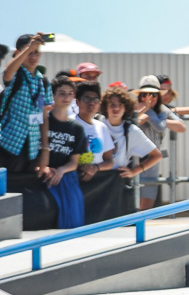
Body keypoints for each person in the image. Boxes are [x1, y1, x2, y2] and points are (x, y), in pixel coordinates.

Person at [35, 75, 86, 228]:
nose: (66, 97)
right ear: (53, 95)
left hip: (64, 179)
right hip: (39, 177)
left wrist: (61, 171)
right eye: (62, 93)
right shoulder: (42, 121)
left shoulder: (77, 128)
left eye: (70, 94)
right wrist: (42, 167)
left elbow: (74, 162)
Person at [0, 33, 51, 173]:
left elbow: (44, 117)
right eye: (29, 53)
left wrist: (45, 151)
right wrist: (29, 47)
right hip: (7, 144)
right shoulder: (16, 74)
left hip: (32, 149)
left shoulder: (43, 81)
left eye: (36, 52)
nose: (33, 57)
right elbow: (7, 74)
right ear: (18, 53)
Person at [134, 75, 185, 210]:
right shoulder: (134, 108)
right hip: (132, 158)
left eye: (153, 95)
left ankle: (142, 221)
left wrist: (159, 119)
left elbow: (181, 126)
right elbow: (128, 125)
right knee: (130, 198)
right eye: (144, 94)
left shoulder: (162, 110)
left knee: (147, 200)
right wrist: (144, 113)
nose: (148, 98)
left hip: (152, 159)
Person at [100, 86, 162, 188]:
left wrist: (134, 171)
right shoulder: (97, 123)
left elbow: (157, 155)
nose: (116, 108)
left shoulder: (131, 131)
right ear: (105, 107)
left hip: (116, 182)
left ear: (126, 108)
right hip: (94, 178)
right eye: (112, 105)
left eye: (120, 105)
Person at [69, 80, 113, 184]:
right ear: (77, 102)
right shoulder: (68, 124)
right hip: (71, 181)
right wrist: (79, 167)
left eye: (95, 100)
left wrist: (95, 168)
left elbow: (109, 161)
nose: (91, 103)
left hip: (96, 186)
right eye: (87, 99)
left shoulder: (102, 127)